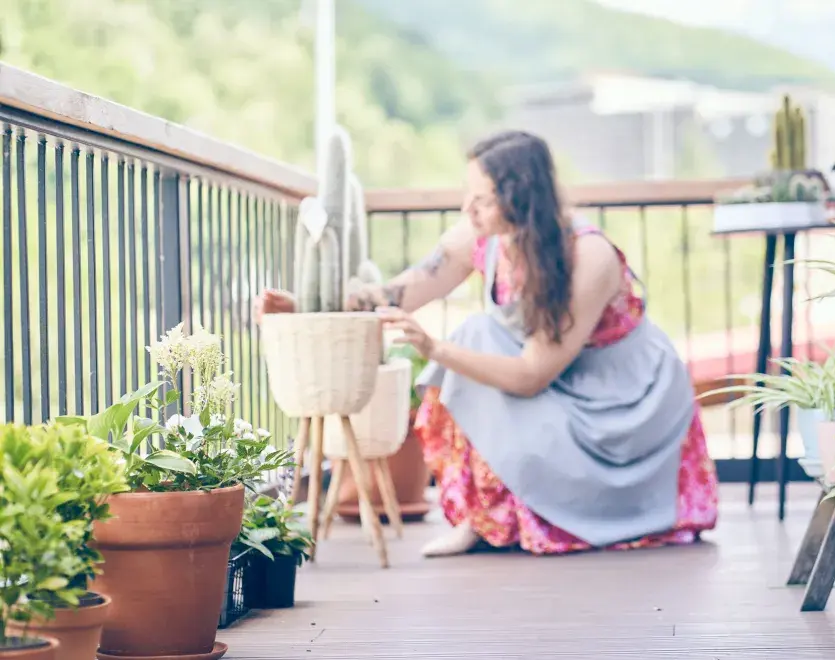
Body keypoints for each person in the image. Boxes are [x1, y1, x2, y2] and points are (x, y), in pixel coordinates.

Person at [254, 130, 718, 558]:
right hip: (559, 380)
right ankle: (483, 517)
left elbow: (532, 375)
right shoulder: (482, 237)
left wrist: (435, 350)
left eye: (481, 200)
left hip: (625, 395)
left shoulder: (588, 255)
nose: (467, 210)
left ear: (521, 199)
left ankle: (525, 514)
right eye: (466, 195)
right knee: (479, 332)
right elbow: (399, 293)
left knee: (471, 337)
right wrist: (306, 304)